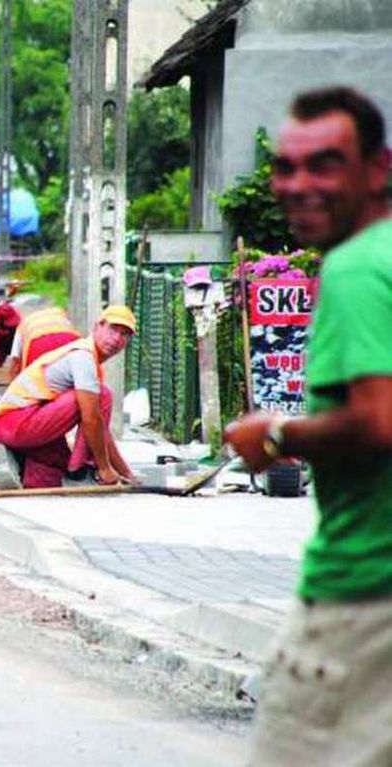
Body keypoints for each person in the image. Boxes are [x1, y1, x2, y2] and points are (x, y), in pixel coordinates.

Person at [222, 87, 392, 767]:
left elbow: (378, 419)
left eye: (325, 164)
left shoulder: (356, 269)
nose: (299, 185)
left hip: (361, 598)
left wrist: (275, 435)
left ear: (377, 169)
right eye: (286, 168)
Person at [0, 305, 137, 488]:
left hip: (18, 425)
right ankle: (79, 472)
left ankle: (18, 465)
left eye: (124, 335)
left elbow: (101, 430)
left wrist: (126, 473)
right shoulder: (83, 356)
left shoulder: (90, 362)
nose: (116, 339)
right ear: (97, 327)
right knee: (101, 396)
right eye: (113, 329)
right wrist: (104, 468)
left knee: (53, 474)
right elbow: (92, 420)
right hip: (16, 422)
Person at [6, 305, 82, 380]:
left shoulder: (23, 324)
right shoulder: (60, 315)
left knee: (37, 382)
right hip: (70, 340)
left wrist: (14, 384)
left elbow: (15, 359)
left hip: (38, 344)